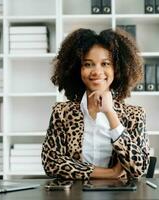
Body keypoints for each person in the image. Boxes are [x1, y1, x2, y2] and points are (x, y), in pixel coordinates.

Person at [41, 28, 150, 180]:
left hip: (119, 195)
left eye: (105, 63)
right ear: (77, 69)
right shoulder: (62, 112)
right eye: (88, 64)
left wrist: (110, 113)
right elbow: (51, 162)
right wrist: (111, 173)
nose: (97, 71)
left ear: (117, 69)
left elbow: (139, 168)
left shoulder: (134, 115)